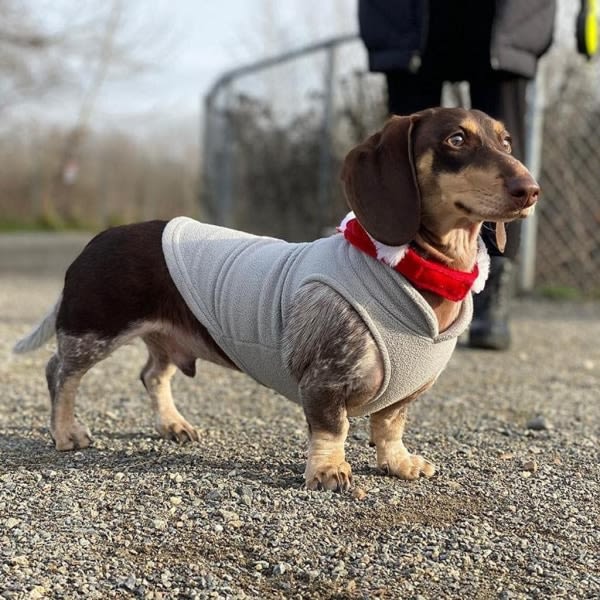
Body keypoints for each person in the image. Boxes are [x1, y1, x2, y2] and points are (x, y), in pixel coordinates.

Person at [358, 0, 556, 350]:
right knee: (402, 147)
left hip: (508, 15)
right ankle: (391, 284)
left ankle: (491, 293)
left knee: (499, 146)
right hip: (404, 14)